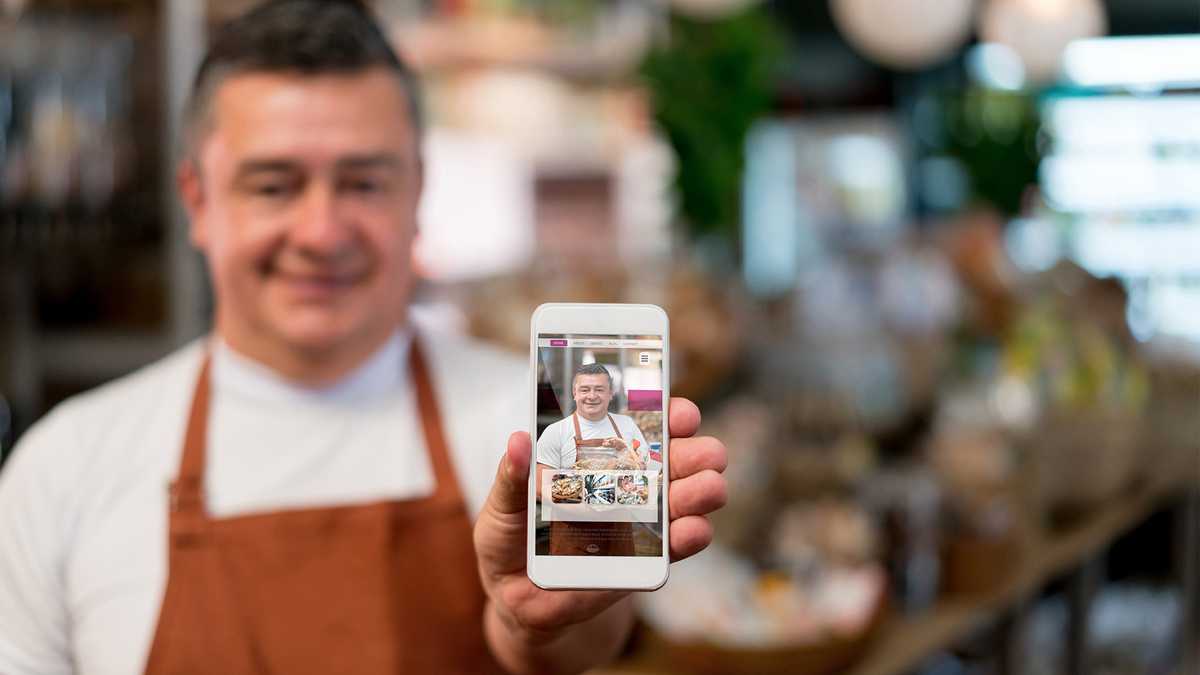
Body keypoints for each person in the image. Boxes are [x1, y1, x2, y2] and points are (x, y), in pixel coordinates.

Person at [0, 2, 729, 674]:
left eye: (363, 182)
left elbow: (591, 640)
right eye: (274, 184)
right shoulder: (62, 471)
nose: (321, 233)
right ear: (199, 201)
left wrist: (534, 624)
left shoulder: (535, 423)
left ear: (417, 192)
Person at [536, 362, 661, 556]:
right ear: (574, 393)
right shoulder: (556, 432)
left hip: (618, 538)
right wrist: (614, 491)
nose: (592, 396)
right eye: (585, 389)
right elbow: (541, 487)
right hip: (572, 538)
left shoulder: (627, 426)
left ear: (611, 394)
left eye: (599, 389)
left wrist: (582, 489)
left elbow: (645, 483)